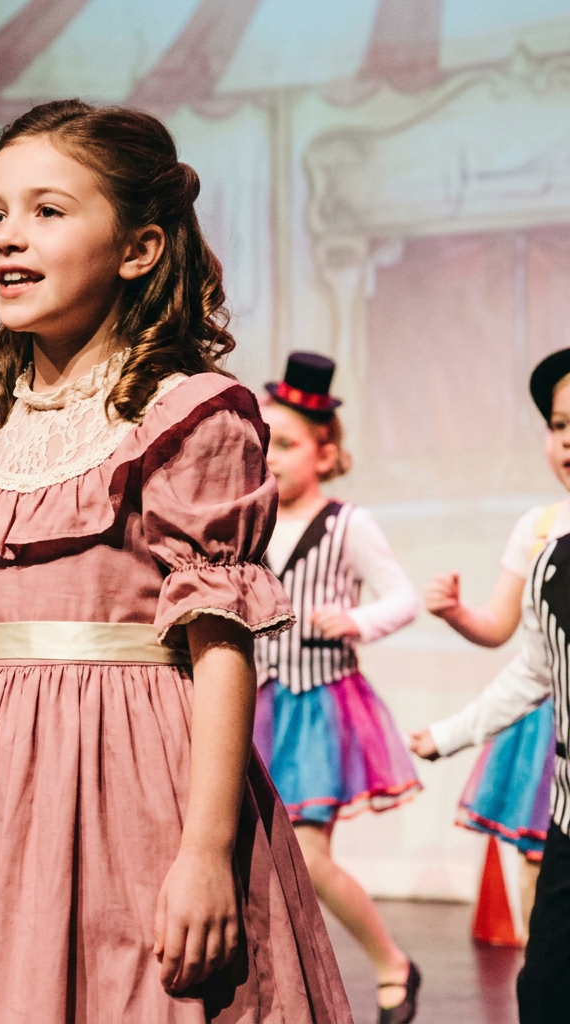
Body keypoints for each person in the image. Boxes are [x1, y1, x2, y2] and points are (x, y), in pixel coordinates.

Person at [0, 99, 351, 1024]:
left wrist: (205, 850)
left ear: (138, 248)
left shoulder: (190, 415)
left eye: (47, 212)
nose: (10, 239)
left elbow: (220, 644)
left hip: (137, 774)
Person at [254, 352, 422, 1024]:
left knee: (310, 856)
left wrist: (354, 620)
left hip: (319, 704)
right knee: (254, 856)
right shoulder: (252, 517)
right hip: (260, 699)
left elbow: (402, 597)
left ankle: (391, 962)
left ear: (325, 456)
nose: (270, 458)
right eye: (264, 442)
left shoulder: (349, 524)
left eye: (287, 446)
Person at [410, 349, 570, 1022]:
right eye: (560, 424)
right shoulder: (547, 543)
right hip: (567, 809)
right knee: (544, 991)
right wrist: (448, 734)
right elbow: (534, 665)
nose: (569, 441)